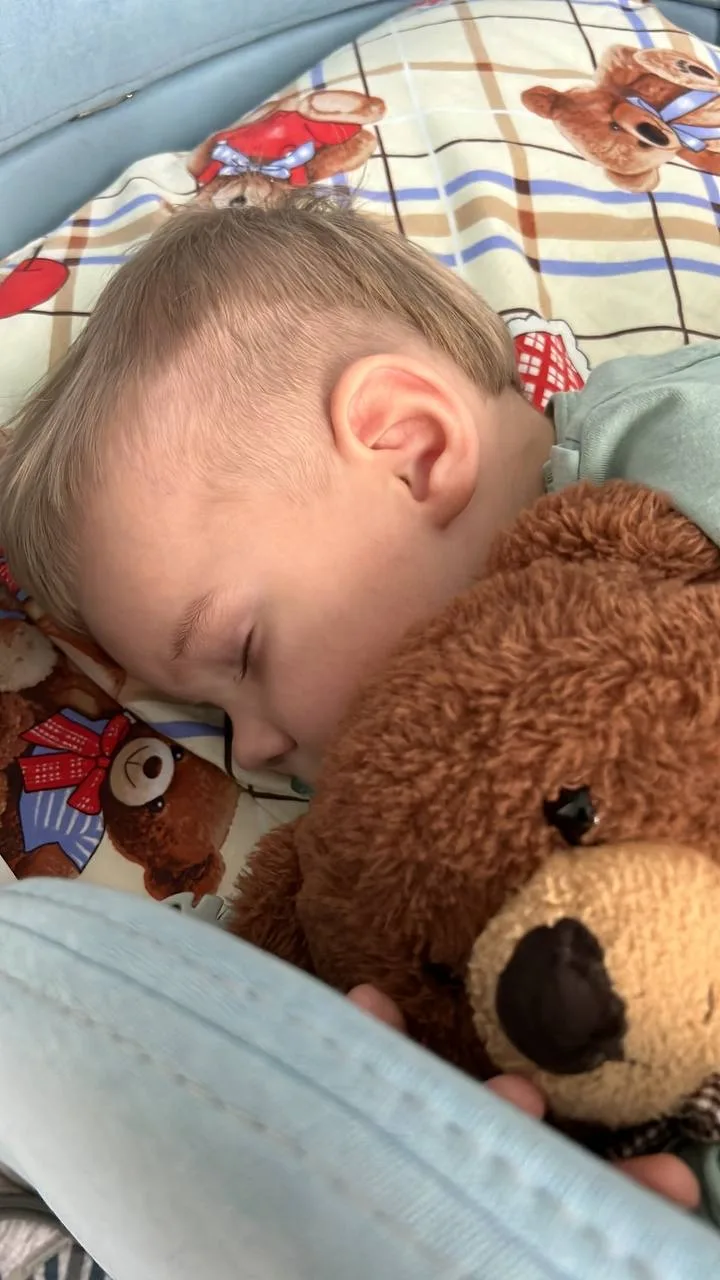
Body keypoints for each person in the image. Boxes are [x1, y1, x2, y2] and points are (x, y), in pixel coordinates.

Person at [1, 194, 717, 1210]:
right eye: (212, 710)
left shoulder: (669, 439)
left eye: (241, 652)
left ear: (411, 449)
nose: (250, 749)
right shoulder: (398, 837)